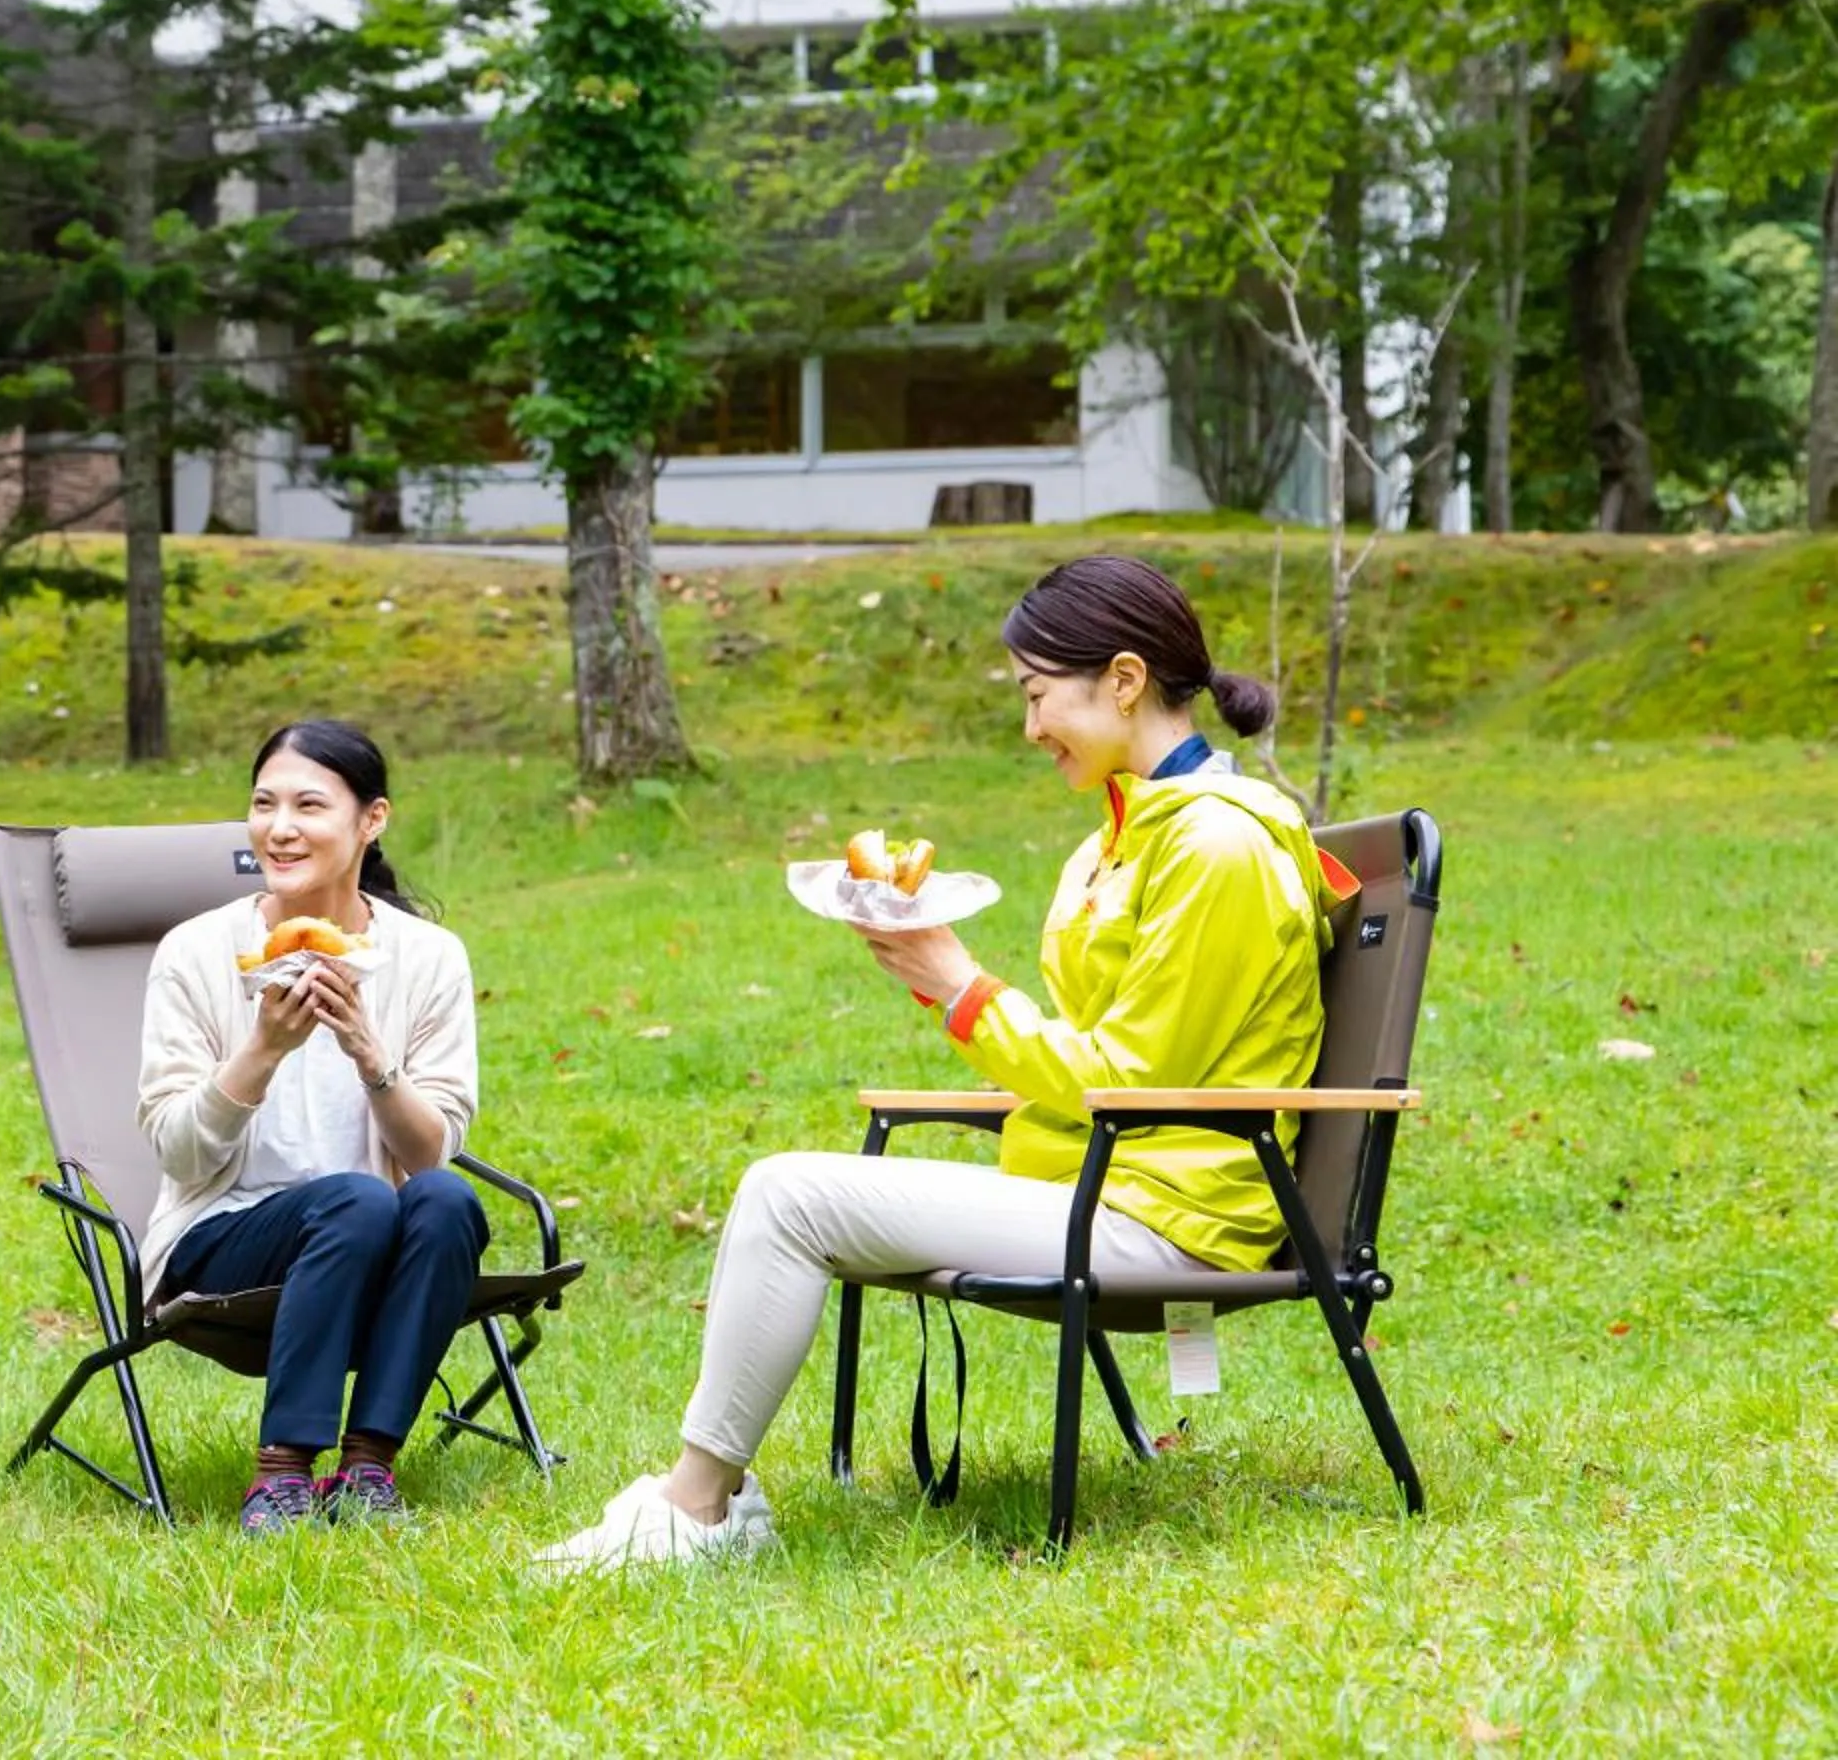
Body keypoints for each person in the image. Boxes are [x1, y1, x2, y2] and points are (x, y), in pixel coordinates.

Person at [537, 554, 1358, 1570]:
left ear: (1124, 678)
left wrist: (961, 985)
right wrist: (940, 980)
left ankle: (699, 1509)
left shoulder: (1216, 849)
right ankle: (706, 1499)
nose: (1029, 728)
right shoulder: (1120, 840)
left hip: (1168, 1214)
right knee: (792, 1190)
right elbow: (1104, 1057)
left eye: (1036, 695)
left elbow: (1131, 1076)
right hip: (1104, 1182)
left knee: (787, 1193)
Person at [137, 720, 488, 1535]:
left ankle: (368, 1467)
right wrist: (260, 1050)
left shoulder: (429, 958)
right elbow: (177, 1150)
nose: (279, 827)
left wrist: (369, 1052)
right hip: (221, 1234)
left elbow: (433, 1151)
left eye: (308, 805)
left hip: (378, 1235)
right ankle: (283, 1473)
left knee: (444, 1200)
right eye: (264, 804)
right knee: (358, 1201)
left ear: (372, 820)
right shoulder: (198, 952)